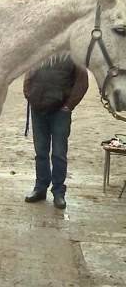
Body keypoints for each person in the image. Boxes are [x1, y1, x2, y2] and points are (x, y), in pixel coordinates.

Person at [23, 55, 88, 209]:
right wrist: (30, 96)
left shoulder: (72, 55)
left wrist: (68, 106)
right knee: (40, 152)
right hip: (38, 110)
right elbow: (28, 75)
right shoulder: (41, 53)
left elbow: (82, 83)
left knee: (59, 154)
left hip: (60, 112)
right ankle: (40, 188)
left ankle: (58, 192)